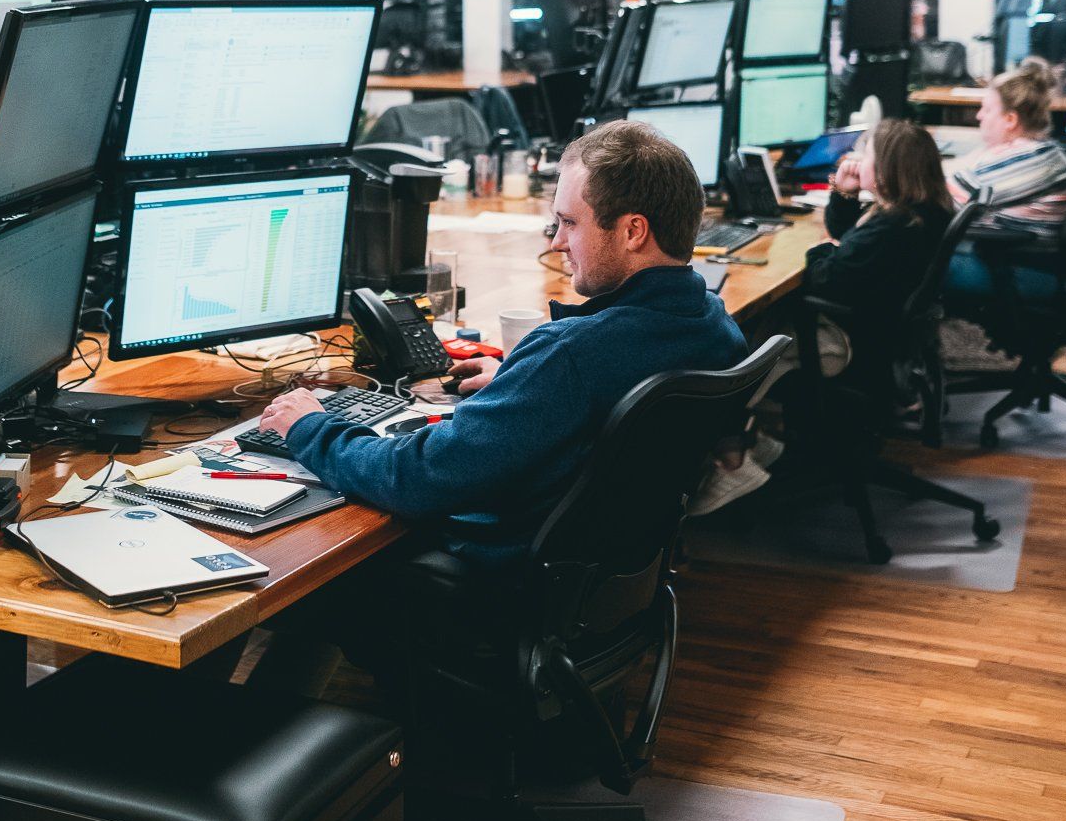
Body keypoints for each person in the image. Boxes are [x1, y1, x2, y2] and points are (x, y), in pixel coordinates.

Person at [256, 119, 747, 561]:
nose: (556, 242)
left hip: (497, 581)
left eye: (570, 222)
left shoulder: (569, 356)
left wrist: (311, 428)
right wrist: (517, 382)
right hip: (598, 584)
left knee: (296, 565)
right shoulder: (714, 323)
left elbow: (415, 478)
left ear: (633, 231)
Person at [806, 118, 954, 399]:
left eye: (867, 157)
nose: (859, 162)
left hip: (858, 328)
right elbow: (850, 236)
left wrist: (821, 250)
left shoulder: (891, 227)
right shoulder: (919, 210)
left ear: (885, 173)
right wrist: (845, 194)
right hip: (888, 320)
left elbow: (824, 279)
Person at [944, 60, 1066, 223]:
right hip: (1013, 240)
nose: (979, 116)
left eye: (987, 110)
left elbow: (950, 202)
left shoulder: (1026, 161)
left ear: (1010, 119)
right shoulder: (1039, 151)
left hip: (999, 244)